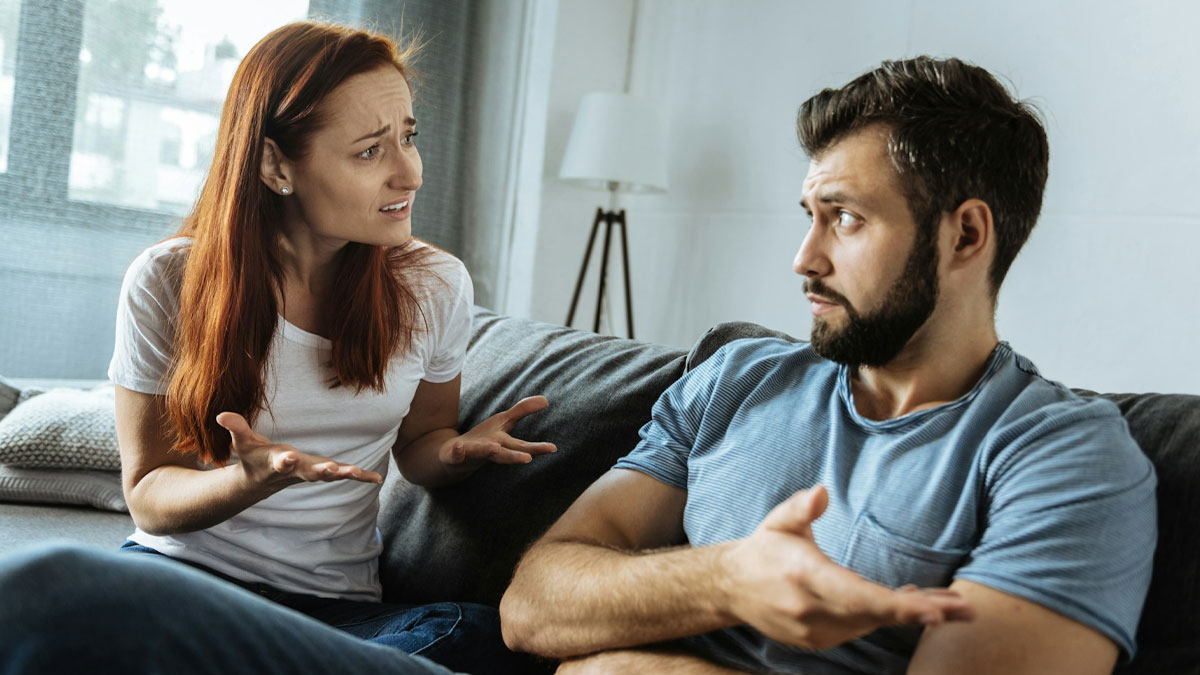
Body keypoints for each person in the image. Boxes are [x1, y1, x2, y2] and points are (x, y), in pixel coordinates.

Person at [500, 56, 1157, 674]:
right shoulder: (735, 378)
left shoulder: (1067, 457)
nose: (804, 258)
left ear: (965, 235)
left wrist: (623, 666)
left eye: (844, 217)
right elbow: (530, 606)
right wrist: (729, 579)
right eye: (810, 216)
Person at [0, 20, 553, 675]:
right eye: (370, 151)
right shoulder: (168, 280)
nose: (410, 173)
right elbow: (149, 489)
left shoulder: (433, 284)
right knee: (51, 590)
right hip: (187, 584)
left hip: (338, 611)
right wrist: (247, 480)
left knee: (475, 631)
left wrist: (456, 451)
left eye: (409, 136)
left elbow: (420, 445)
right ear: (273, 164)